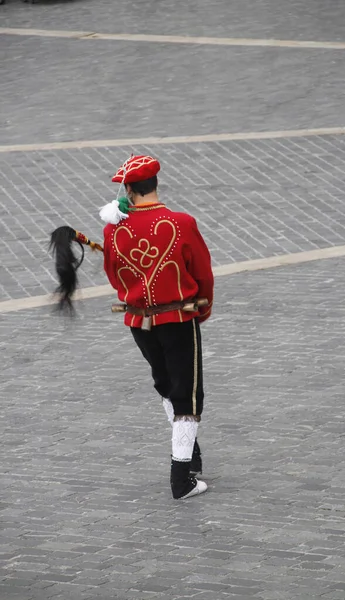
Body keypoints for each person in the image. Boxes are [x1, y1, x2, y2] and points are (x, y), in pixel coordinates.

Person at [100, 155, 214, 500]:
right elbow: (202, 273)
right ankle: (182, 479)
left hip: (139, 320)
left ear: (129, 190)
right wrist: (203, 309)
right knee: (188, 395)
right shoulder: (182, 222)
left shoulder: (113, 229)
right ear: (155, 185)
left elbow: (113, 273)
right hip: (178, 319)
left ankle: (190, 455)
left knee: (165, 383)